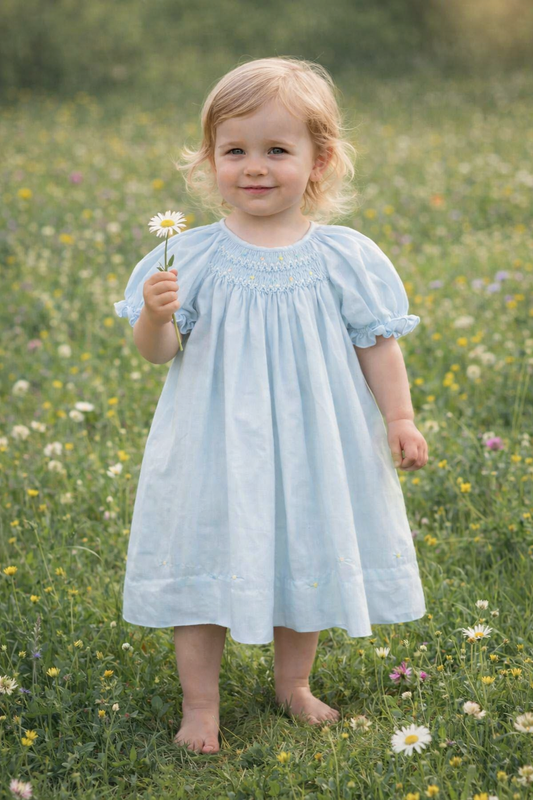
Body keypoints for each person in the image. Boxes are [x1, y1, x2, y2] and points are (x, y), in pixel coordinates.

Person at [114, 56, 428, 755]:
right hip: (213, 441)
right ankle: (200, 706)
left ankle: (294, 684)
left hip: (315, 440)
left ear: (319, 161)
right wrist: (155, 317)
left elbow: (377, 345)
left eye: (277, 150)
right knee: (205, 554)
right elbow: (157, 353)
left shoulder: (343, 257)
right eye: (235, 151)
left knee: (305, 552)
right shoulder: (188, 258)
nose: (254, 167)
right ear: (210, 160)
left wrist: (399, 418)